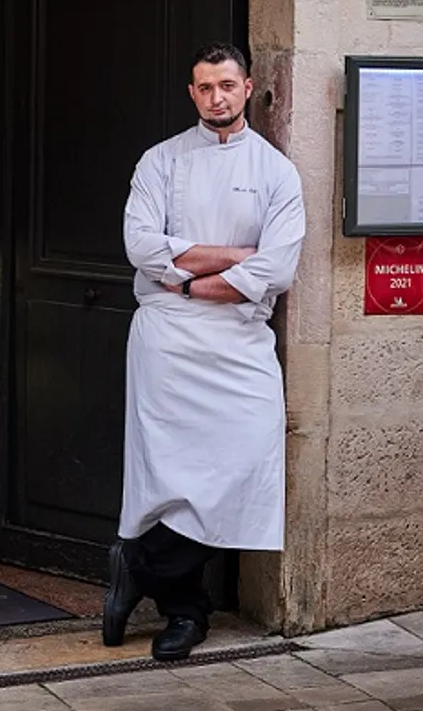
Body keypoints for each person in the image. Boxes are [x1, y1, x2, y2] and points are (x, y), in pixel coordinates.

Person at [103, 42, 306, 662]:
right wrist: (237, 256)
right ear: (191, 93)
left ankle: (140, 562)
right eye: (203, 87)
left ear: (247, 88)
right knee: (169, 475)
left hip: (240, 337)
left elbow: (279, 267)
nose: (215, 97)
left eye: (226, 85)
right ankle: (185, 612)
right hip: (168, 337)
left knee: (245, 460)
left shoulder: (277, 172)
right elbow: (141, 246)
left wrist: (190, 271)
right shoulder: (160, 162)